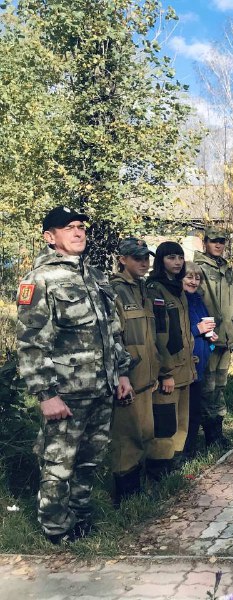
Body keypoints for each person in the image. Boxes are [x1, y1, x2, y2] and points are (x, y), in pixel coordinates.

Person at [16, 206, 132, 543]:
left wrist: (122, 374)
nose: (79, 232)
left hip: (101, 387)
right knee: (58, 464)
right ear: (50, 237)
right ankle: (56, 529)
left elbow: (112, 331)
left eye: (81, 226)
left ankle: (80, 519)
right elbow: (30, 342)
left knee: (88, 461)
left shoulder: (95, 276)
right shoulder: (38, 281)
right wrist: (46, 395)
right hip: (66, 393)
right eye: (69, 227)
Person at [109, 237, 159, 507]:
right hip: (129, 377)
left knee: (144, 434)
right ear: (122, 260)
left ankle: (139, 488)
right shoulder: (114, 291)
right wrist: (121, 373)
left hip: (146, 378)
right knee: (126, 438)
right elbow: (112, 336)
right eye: (137, 258)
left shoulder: (142, 290)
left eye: (146, 258)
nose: (144, 263)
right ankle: (125, 497)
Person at [145, 242, 196, 478]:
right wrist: (165, 372)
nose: (177, 262)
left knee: (181, 421)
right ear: (161, 261)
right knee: (165, 423)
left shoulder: (178, 288)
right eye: (171, 257)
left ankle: (174, 464)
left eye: (180, 257)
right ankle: (159, 470)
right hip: (169, 371)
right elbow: (156, 334)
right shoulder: (155, 289)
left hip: (184, 367)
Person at [194, 227, 233, 448]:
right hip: (209, 338)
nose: (218, 245)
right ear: (205, 243)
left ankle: (218, 432)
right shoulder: (198, 268)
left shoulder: (226, 268)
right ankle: (209, 435)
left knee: (220, 385)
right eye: (214, 241)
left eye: (221, 241)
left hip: (226, 338)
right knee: (207, 386)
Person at [182, 261, 218, 459]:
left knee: (195, 410)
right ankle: (184, 453)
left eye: (197, 278)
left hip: (201, 362)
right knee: (186, 412)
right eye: (189, 277)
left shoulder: (198, 299)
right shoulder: (180, 301)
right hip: (186, 363)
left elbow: (205, 329)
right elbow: (180, 333)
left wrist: (211, 338)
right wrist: (198, 330)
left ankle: (192, 451)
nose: (193, 281)